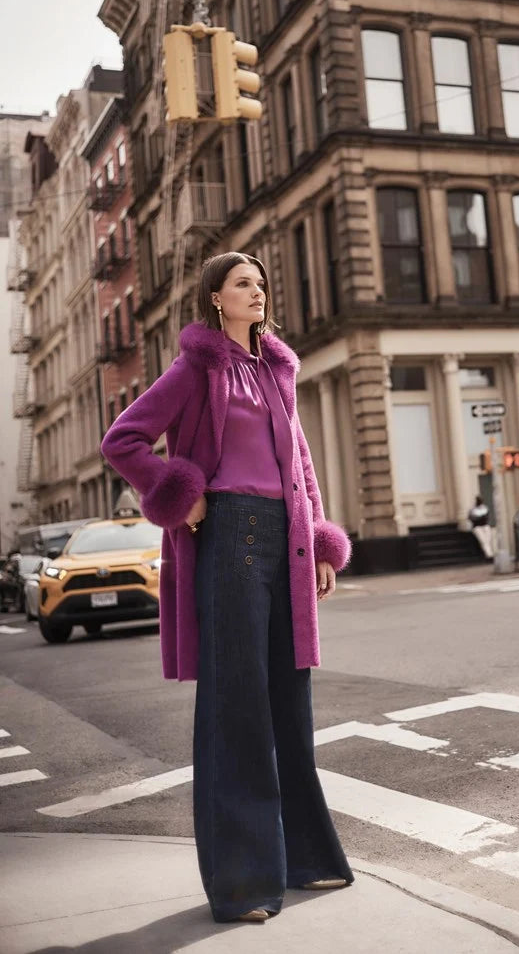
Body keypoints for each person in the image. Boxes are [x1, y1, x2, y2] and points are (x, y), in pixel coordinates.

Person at [101, 252, 353, 925]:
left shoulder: (278, 369)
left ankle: (303, 858)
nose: (259, 291)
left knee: (289, 703)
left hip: (289, 538)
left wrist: (322, 541)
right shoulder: (196, 368)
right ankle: (243, 883)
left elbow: (300, 459)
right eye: (244, 283)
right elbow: (123, 439)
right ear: (216, 299)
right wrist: (178, 495)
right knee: (238, 707)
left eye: (262, 282)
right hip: (232, 538)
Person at [468, 495, 493, 560]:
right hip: (477, 527)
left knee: (487, 540)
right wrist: (479, 518)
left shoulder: (485, 508)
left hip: (485, 526)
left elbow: (486, 517)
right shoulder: (473, 509)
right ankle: (489, 554)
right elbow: (471, 518)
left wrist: (479, 518)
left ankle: (489, 553)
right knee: (483, 541)